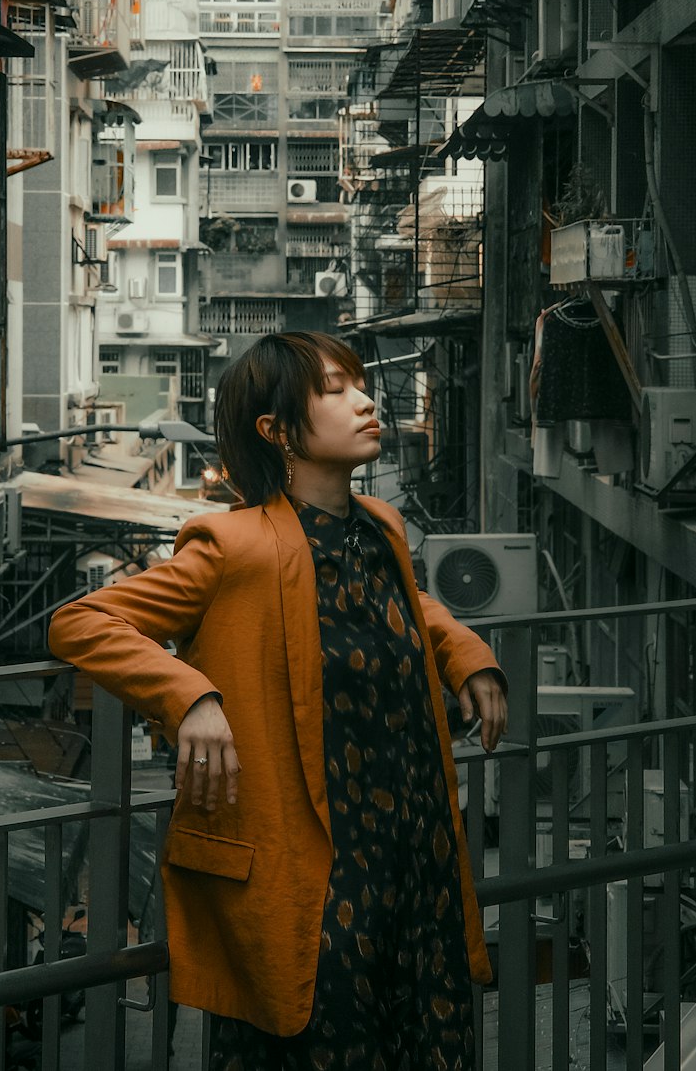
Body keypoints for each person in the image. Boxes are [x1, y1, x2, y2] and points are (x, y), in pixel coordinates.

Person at [48, 332, 508, 1070]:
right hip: (317, 885)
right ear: (278, 431)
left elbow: (410, 604)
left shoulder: (379, 527)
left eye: (358, 385)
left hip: (415, 862)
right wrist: (190, 696)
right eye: (334, 389)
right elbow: (82, 621)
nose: (364, 401)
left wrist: (464, 656)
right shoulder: (232, 546)